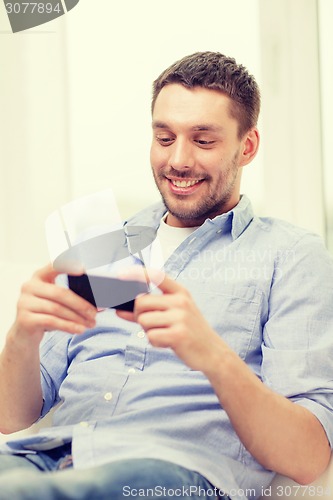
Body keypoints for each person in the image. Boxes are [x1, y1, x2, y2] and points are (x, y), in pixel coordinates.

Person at [0, 51, 333, 500]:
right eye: (164, 137)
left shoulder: (291, 256)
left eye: (203, 140)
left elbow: (308, 458)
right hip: (41, 455)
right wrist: (24, 334)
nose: (177, 160)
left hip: (167, 473)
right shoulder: (103, 245)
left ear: (247, 146)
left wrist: (213, 354)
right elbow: (12, 416)